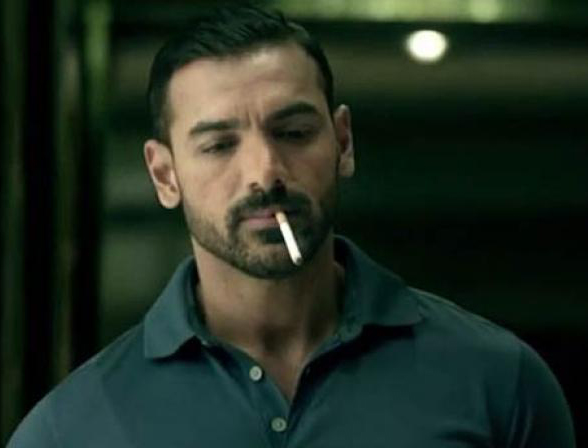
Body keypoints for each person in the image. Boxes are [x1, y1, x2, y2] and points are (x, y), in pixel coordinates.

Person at [7, 5, 575, 448]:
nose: (264, 173)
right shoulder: (70, 429)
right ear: (164, 175)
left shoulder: (497, 382)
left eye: (294, 132)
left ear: (342, 142)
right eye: (219, 145)